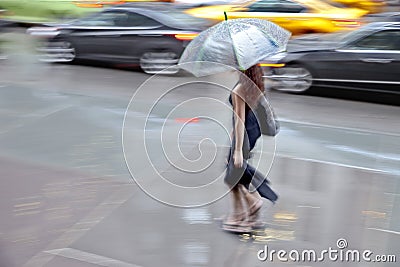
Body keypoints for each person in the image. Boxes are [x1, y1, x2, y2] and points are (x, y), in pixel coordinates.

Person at [222, 64, 278, 232]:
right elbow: (245, 114)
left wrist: (238, 150)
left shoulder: (239, 89)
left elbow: (240, 121)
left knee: (233, 173)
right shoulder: (256, 83)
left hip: (245, 133)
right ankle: (240, 214)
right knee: (232, 172)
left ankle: (253, 203)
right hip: (253, 130)